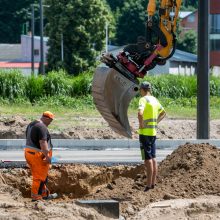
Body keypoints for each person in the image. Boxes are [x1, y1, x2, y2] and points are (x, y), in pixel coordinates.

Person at [138, 81, 166, 192]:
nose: (140, 92)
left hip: (144, 133)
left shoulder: (143, 99)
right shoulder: (155, 100)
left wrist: (141, 124)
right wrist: (156, 123)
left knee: (147, 159)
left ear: (143, 89)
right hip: (153, 133)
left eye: (140, 90)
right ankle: (153, 183)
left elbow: (140, 113)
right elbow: (163, 112)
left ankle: (148, 185)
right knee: (153, 158)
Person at [24, 111, 57, 201]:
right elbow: (42, 142)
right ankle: (36, 197)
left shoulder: (32, 124)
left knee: (42, 175)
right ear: (46, 118)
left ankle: (44, 194)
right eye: (50, 121)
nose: (50, 123)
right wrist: (47, 156)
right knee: (39, 177)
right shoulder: (41, 126)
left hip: (29, 152)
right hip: (37, 154)